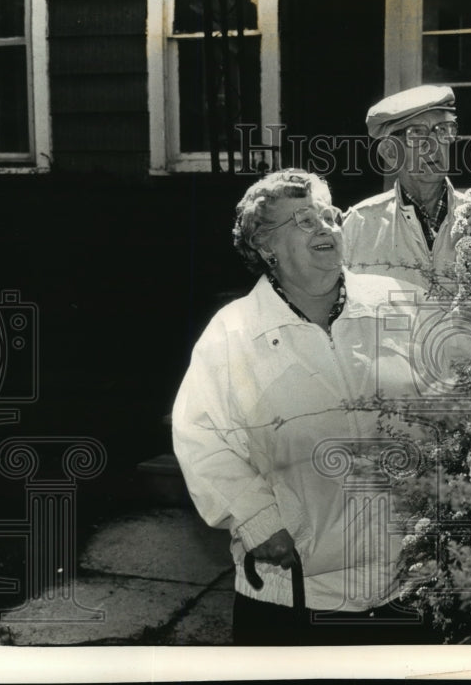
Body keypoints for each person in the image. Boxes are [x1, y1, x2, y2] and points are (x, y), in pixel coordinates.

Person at [172, 169, 438, 646]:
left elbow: (454, 399)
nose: (323, 227)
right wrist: (256, 520)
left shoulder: (402, 304)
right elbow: (201, 436)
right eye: (301, 220)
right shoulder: (233, 334)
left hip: (410, 579)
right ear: (265, 247)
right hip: (298, 591)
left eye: (326, 215)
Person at [343, 84, 471, 294]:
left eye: (442, 131)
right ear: (390, 152)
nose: (434, 145)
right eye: (417, 134)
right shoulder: (360, 225)